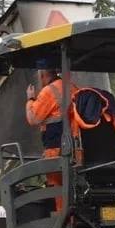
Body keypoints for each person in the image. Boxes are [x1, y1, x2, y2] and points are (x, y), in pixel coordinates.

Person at [25, 58, 71, 208]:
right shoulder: (71, 87)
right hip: (75, 148)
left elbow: (33, 118)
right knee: (73, 187)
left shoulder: (49, 91)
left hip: (56, 149)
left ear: (43, 74)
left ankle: (63, 223)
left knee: (57, 188)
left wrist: (31, 99)